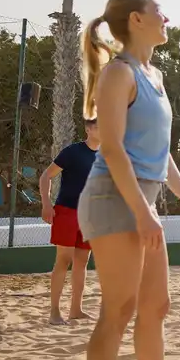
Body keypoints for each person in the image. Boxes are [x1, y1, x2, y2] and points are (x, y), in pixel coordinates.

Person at [77, 0, 180, 360]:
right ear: (136, 19)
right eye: (158, 12)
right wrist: (142, 211)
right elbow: (111, 147)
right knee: (119, 310)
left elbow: (159, 152)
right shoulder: (118, 73)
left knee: (156, 307)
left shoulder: (154, 76)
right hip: (113, 200)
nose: (166, 17)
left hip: (141, 202)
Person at [39, 118, 101, 325]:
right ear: (88, 129)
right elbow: (46, 176)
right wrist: (47, 204)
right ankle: (54, 312)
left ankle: (76, 310)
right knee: (63, 260)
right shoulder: (73, 152)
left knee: (82, 263)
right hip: (66, 211)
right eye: (98, 126)